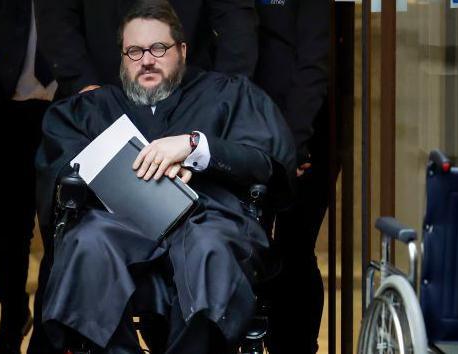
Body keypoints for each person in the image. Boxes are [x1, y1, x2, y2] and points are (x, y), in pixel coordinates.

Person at [35, 1, 296, 353]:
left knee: (210, 249)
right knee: (88, 241)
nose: (147, 60)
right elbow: (61, 171)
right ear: (122, 57)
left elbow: (264, 162)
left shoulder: (227, 96)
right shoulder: (94, 109)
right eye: (135, 51)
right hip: (120, 227)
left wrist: (196, 147)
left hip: (207, 220)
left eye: (159, 48)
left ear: (182, 50)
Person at [252, 1, 330, 353]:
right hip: (243, 131)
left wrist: (294, 144)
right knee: (248, 247)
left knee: (296, 249)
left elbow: (313, 61)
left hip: (302, 131)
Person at [0, 0, 56, 353]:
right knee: (7, 228)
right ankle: (13, 317)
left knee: (59, 226)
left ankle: (48, 331)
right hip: (8, 107)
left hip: (67, 108)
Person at [38, 0, 259, 99]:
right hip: (99, 92)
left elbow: (236, 21)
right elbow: (56, 20)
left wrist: (225, 93)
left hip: (190, 94)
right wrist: (84, 86)